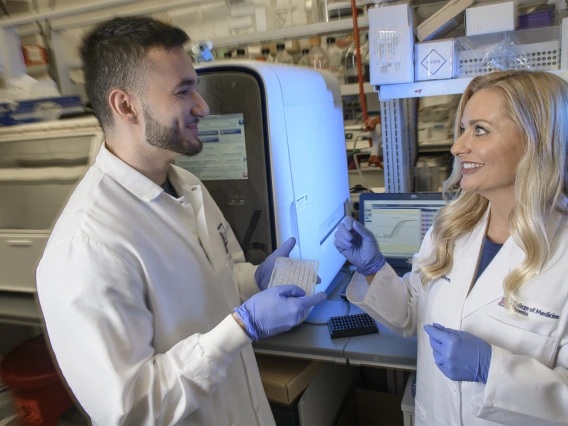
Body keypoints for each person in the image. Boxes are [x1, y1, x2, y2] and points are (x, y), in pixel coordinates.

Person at [36, 16, 326, 426]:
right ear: (125, 105)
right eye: (183, 91)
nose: (202, 107)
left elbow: (217, 281)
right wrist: (241, 328)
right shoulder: (87, 246)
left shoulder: (186, 184)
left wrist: (253, 279)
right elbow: (132, 409)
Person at [335, 70, 568, 425]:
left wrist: (495, 369)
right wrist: (371, 269)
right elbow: (413, 316)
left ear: (537, 139)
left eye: (480, 130)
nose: (458, 147)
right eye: (462, 129)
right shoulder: (452, 226)